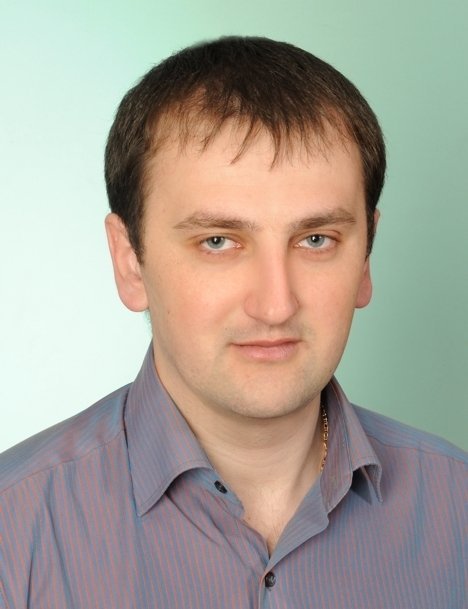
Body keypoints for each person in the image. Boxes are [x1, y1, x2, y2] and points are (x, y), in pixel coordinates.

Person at [0, 36, 465, 609]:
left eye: (316, 240)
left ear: (365, 257)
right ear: (129, 262)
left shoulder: (459, 510)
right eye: (218, 241)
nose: (275, 305)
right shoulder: (12, 534)